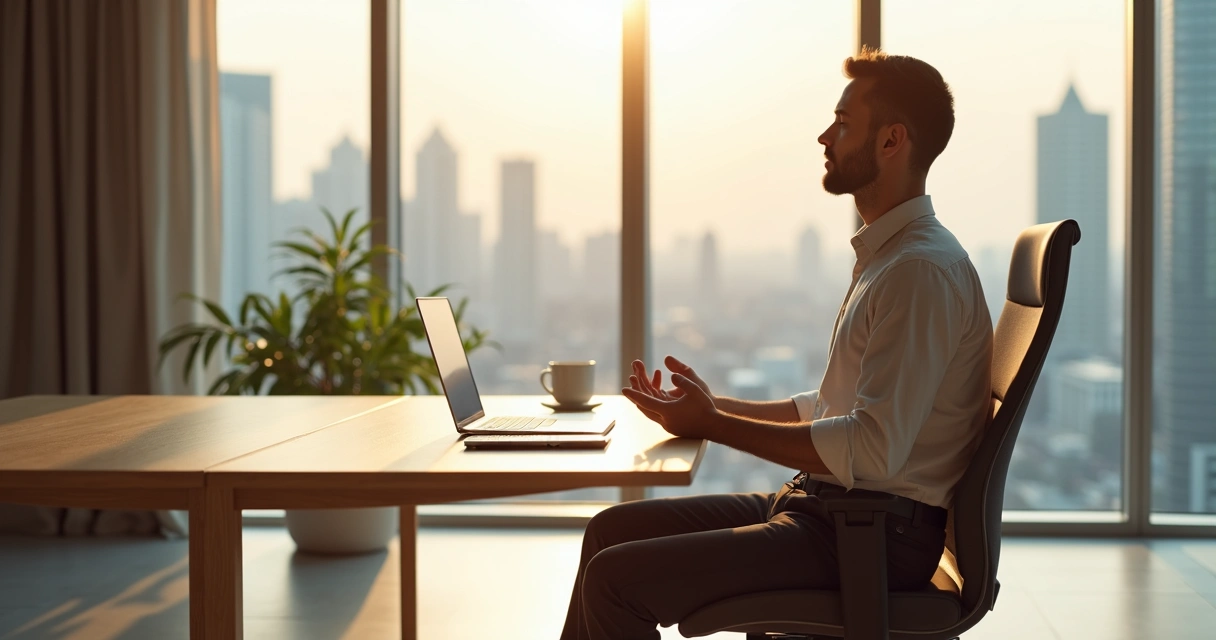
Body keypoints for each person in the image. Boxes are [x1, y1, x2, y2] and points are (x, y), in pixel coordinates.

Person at [559, 47, 994, 640]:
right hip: (829, 510)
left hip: (868, 535)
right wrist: (712, 408)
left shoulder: (919, 271)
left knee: (615, 578)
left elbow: (871, 451)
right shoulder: (891, 258)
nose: (825, 136)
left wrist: (713, 424)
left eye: (843, 123)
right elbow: (830, 409)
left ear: (892, 141)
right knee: (609, 530)